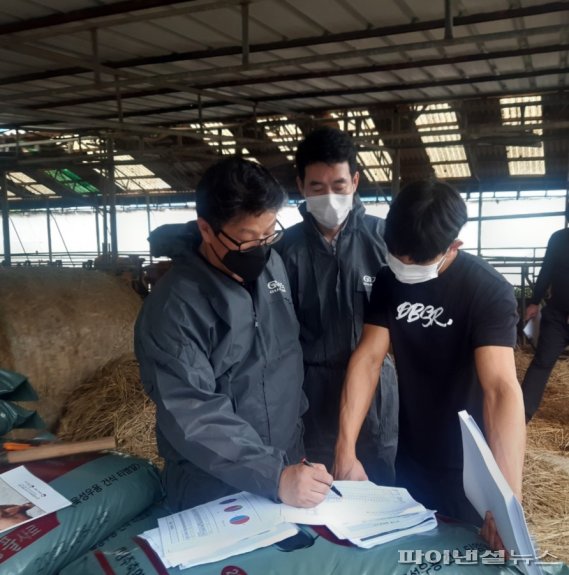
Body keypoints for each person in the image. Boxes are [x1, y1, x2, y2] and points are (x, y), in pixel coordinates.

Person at [135, 157, 333, 511]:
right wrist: (272, 475)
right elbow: (192, 411)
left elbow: (284, 356)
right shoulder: (175, 309)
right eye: (246, 240)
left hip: (287, 458)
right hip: (212, 482)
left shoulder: (271, 265)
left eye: (269, 232)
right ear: (206, 229)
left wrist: (287, 464)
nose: (260, 247)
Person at [334, 180, 525, 537]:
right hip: (412, 454)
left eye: (415, 262)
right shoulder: (389, 280)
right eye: (396, 256)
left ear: (453, 246)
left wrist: (507, 500)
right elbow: (368, 358)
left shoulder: (486, 290)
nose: (403, 268)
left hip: (470, 468)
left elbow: (500, 389)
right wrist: (345, 448)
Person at [276, 127, 398, 484]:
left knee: (380, 483)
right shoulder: (284, 251)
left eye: (339, 185)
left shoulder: (386, 240)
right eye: (317, 187)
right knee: (318, 491)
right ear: (300, 185)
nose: (329, 196)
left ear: (355, 181)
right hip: (310, 394)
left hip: (375, 388)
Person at [522, 226, 569, 422]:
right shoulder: (559, 238)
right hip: (557, 314)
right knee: (542, 361)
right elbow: (547, 268)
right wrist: (534, 301)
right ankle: (521, 413)